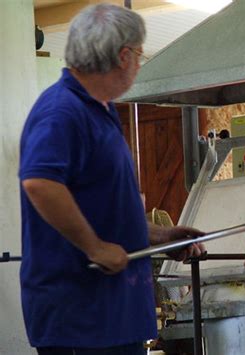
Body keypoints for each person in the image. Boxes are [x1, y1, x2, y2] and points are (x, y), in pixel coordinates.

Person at [18, 4, 205, 355]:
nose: (139, 61)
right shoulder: (63, 110)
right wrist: (95, 247)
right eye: (139, 54)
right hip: (82, 318)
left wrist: (160, 237)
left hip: (114, 317)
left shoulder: (99, 110)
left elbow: (101, 210)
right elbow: (40, 183)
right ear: (123, 56)